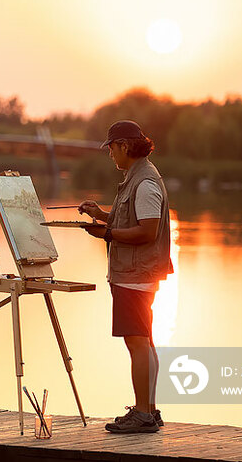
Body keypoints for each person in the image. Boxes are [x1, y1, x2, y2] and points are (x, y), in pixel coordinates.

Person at [78, 120, 173, 434]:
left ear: (125, 146)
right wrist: (101, 214)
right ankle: (149, 409)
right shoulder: (139, 177)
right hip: (136, 274)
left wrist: (105, 233)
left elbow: (147, 231)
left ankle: (144, 414)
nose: (110, 155)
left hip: (135, 275)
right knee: (144, 342)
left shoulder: (144, 183)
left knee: (137, 343)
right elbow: (133, 218)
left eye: (112, 148)